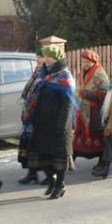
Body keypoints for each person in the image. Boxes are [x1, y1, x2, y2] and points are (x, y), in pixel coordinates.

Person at [26, 44, 76, 199]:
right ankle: (52, 179)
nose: (46, 60)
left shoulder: (64, 76)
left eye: (50, 57)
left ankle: (60, 184)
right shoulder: (45, 75)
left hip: (58, 124)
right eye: (45, 56)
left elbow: (68, 104)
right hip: (42, 122)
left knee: (58, 156)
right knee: (42, 156)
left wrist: (62, 125)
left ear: (57, 58)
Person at [73, 49, 110, 173]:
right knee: (79, 136)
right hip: (82, 110)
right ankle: (71, 159)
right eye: (84, 61)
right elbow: (78, 88)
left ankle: (102, 161)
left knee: (97, 136)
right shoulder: (81, 73)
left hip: (95, 110)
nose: (86, 64)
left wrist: (87, 94)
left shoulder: (100, 73)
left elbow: (105, 93)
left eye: (88, 62)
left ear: (94, 62)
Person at [18, 47, 45, 184]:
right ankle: (32, 173)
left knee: (39, 146)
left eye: (40, 57)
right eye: (37, 57)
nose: (38, 60)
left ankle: (52, 175)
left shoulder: (47, 74)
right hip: (30, 114)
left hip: (39, 115)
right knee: (29, 144)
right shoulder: (37, 72)